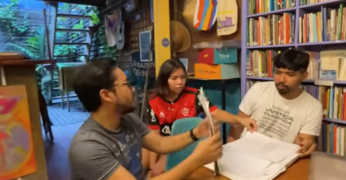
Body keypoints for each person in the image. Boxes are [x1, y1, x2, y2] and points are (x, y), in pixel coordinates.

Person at [68, 59, 223, 180]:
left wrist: (195, 133)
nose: (133, 89)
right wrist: (196, 159)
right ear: (106, 95)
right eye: (126, 84)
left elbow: (161, 144)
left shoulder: (127, 120)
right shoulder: (88, 147)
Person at [144, 59, 258, 177]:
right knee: (157, 172)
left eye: (183, 77)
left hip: (191, 143)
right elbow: (155, 138)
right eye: (174, 78)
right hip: (169, 146)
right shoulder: (153, 101)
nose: (180, 82)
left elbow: (215, 112)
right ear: (164, 80)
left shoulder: (195, 94)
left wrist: (241, 120)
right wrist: (153, 166)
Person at [229, 49, 323, 157]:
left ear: (304, 76)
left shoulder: (313, 107)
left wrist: (306, 145)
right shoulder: (258, 89)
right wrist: (233, 147)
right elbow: (238, 125)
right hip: (246, 152)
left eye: (290, 74)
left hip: (279, 159)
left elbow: (303, 143)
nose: (281, 79)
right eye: (278, 72)